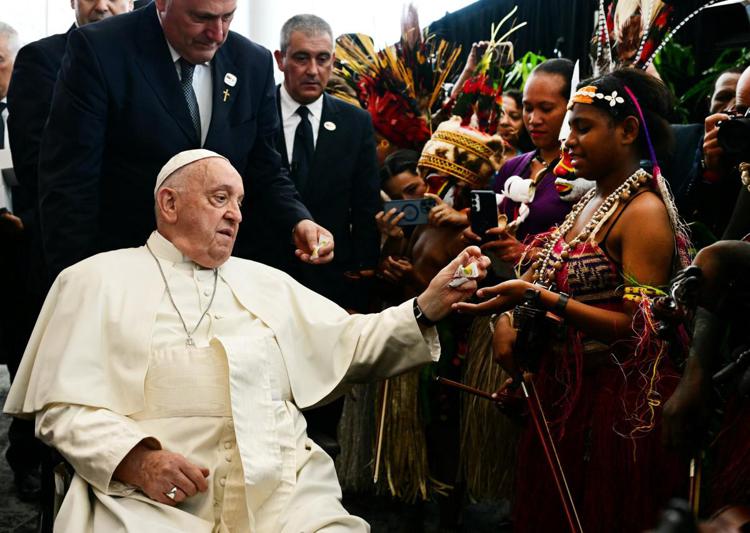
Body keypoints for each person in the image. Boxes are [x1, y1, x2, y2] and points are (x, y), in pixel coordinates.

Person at [4, 149, 490, 532]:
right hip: (149, 497)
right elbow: (61, 408)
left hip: (280, 485)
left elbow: (350, 340)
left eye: (239, 202)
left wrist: (427, 304)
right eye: (219, 198)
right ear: (168, 204)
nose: (236, 214)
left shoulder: (266, 281)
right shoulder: (93, 280)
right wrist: (136, 461)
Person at [456, 67, 690, 532]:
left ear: (626, 131)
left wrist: (540, 299)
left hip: (614, 410)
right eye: (571, 128)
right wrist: (511, 322)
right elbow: (543, 265)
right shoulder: (590, 201)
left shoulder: (642, 212)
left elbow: (639, 327)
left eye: (582, 127)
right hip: (565, 392)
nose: (569, 141)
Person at [36, 0, 332, 281]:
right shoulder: (101, 50)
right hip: (124, 272)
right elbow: (69, 185)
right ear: (162, 3)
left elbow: (265, 167)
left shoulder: (251, 62)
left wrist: (298, 220)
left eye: (227, 17)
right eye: (201, 17)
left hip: (219, 276)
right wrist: (78, 282)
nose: (217, 34)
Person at [4, 2, 134, 503]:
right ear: (72, 3)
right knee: (52, 365)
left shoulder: (147, 59)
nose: (104, 3)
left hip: (137, 245)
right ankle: (30, 457)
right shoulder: (41, 58)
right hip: (62, 244)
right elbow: (44, 163)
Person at [269, 13, 381, 458]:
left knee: (322, 370)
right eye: (301, 58)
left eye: (323, 59)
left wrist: (363, 277)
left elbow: (366, 204)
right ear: (281, 60)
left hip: (330, 277)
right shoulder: (253, 114)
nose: (313, 70)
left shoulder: (354, 123)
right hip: (264, 266)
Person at [484, 59, 576, 266]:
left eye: (546, 108)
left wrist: (530, 253)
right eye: (527, 108)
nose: (533, 119)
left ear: (572, 107)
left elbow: (592, 252)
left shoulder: (585, 174)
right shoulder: (511, 167)